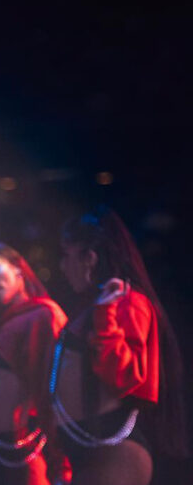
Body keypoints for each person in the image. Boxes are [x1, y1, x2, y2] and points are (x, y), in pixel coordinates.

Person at [51, 206, 187, 485]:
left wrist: (105, 316)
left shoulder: (127, 302)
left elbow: (126, 376)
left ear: (89, 258)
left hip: (115, 451)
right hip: (89, 451)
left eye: (66, 256)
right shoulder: (94, 304)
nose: (62, 267)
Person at [0, 242, 68, 485]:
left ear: (18, 269)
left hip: (17, 456)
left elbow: (58, 394)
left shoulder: (42, 315)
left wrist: (62, 467)